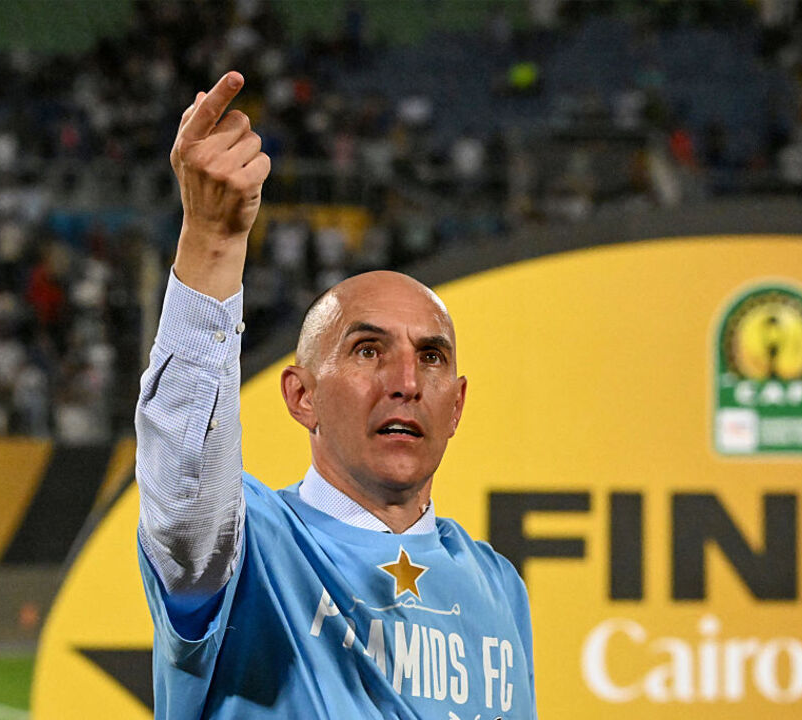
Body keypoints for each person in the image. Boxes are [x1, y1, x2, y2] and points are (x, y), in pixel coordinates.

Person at [136, 71, 537, 719]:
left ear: (457, 406)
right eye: (368, 350)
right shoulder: (248, 542)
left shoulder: (497, 585)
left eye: (430, 357)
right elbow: (183, 482)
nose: (406, 382)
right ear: (302, 397)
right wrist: (212, 243)